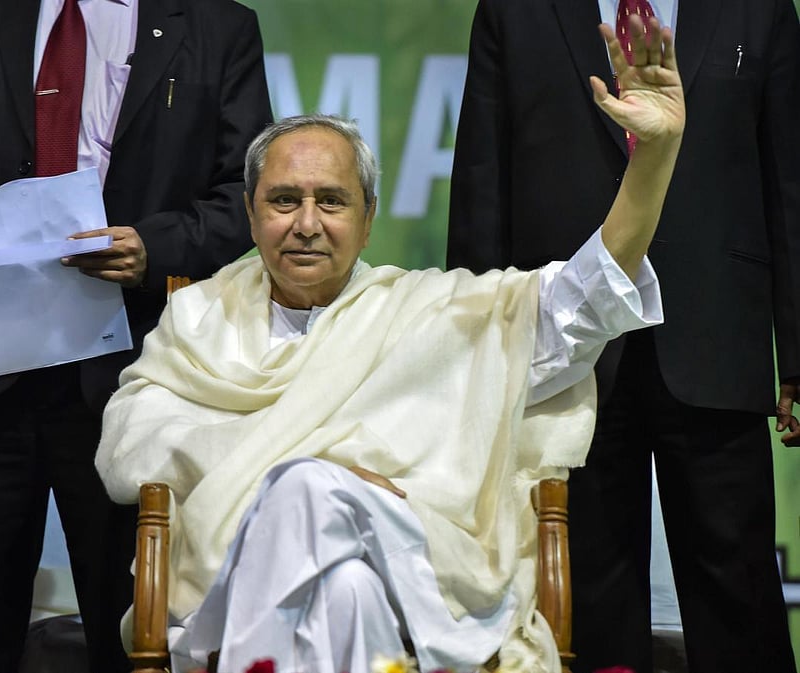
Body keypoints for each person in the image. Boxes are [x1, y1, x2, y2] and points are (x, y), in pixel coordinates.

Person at [97, 18, 683, 673]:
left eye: (333, 201)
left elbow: (585, 298)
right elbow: (127, 449)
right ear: (252, 211)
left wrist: (653, 160)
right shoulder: (202, 321)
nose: (307, 224)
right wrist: (324, 472)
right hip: (237, 587)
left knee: (320, 510)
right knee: (334, 564)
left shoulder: (430, 316)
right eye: (284, 200)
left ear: (369, 218)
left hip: (413, 583)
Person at [0, 0, 272, 670]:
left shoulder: (218, 25)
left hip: (130, 379)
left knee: (128, 633)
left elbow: (244, 193)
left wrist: (153, 249)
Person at [447, 1, 800, 672]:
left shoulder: (758, 8)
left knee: (739, 591)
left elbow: (789, 178)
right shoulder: (512, 11)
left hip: (715, 332)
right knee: (588, 596)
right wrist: (479, 350)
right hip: (567, 340)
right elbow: (481, 181)